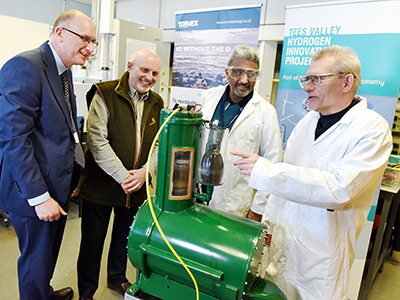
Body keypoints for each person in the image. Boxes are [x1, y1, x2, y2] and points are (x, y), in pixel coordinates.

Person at [231, 45, 392, 299]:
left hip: (320, 261)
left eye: (316, 79)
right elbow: (285, 189)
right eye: (306, 79)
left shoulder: (372, 130)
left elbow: (339, 189)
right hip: (281, 249)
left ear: (347, 82)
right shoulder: (307, 123)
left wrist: (267, 171)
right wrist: (267, 226)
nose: (306, 86)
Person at [0, 10, 96, 300]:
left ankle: (44, 292)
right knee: (35, 261)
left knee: (47, 258)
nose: (90, 48)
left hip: (59, 185)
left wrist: (76, 172)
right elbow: (14, 139)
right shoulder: (26, 66)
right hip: (33, 192)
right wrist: (40, 197)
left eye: (94, 42)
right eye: (85, 39)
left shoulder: (63, 72)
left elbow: (67, 131)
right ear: (60, 33)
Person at [76, 48, 163, 300]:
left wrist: (145, 171)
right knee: (92, 244)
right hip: (101, 186)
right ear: (129, 66)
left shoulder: (157, 102)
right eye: (144, 70)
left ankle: (116, 278)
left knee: (124, 239)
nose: (149, 77)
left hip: (135, 188)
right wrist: (125, 176)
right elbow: (97, 141)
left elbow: (159, 143)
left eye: (155, 73)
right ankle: (86, 292)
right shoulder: (104, 93)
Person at [198, 45, 282, 221]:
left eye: (251, 74)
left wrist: (257, 210)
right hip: (198, 193)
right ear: (227, 72)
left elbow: (272, 163)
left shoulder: (265, 112)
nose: (244, 80)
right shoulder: (208, 97)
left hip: (235, 203)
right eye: (237, 72)